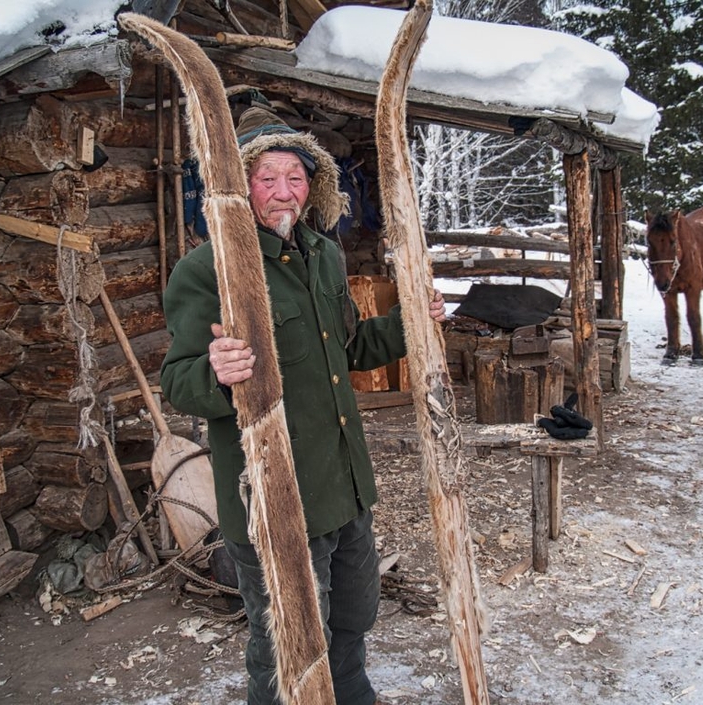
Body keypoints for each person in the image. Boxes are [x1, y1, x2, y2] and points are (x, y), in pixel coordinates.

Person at [160, 106, 446, 705]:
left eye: (295, 176)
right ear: (240, 186)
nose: (283, 192)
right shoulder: (206, 270)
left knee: (351, 621)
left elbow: (348, 349)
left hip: (343, 489)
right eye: (268, 178)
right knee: (283, 648)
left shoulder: (323, 254)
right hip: (275, 504)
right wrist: (216, 373)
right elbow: (178, 381)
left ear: (312, 186)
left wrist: (411, 324)